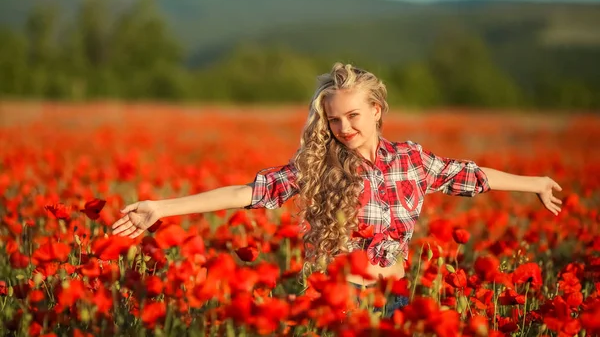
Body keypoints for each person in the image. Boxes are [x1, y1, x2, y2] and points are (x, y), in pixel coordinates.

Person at [111, 63, 563, 319]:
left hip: (396, 302)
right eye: (333, 120)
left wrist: (536, 183)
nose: (342, 128)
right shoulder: (318, 165)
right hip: (337, 302)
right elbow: (247, 192)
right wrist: (161, 208)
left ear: (377, 110)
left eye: (353, 116)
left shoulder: (412, 161)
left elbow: (472, 175)